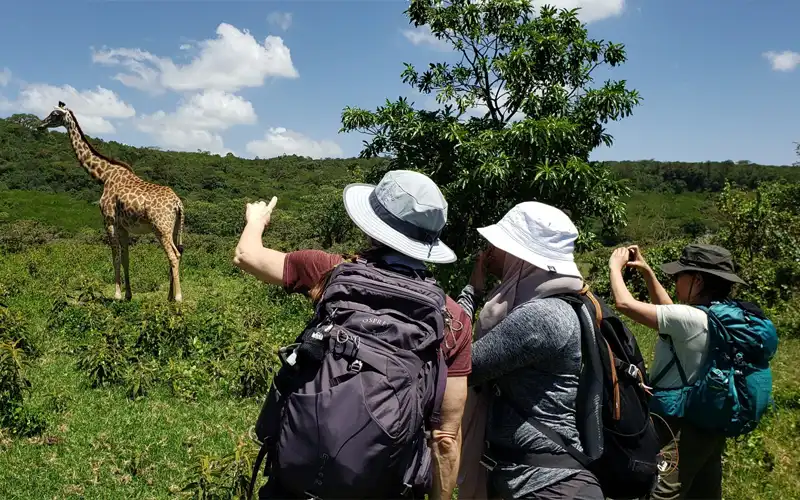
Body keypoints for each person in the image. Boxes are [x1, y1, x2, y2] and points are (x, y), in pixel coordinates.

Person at [233, 170, 472, 500]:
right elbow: (445, 437)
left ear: (371, 225)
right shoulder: (453, 319)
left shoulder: (328, 270)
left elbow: (247, 255)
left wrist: (256, 220)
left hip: (296, 482)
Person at [457, 202, 604, 500]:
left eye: (500, 245)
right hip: (544, 480)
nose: (490, 252)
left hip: (544, 485)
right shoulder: (569, 304)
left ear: (522, 257)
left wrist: (470, 293)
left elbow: (463, 367)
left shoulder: (540, 317)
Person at [607, 243, 746, 500]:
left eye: (680, 275)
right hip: (710, 417)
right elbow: (671, 312)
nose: (675, 280)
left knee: (661, 494)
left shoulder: (691, 319)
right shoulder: (716, 317)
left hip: (681, 424)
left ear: (698, 279)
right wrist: (648, 273)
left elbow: (624, 304)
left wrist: (614, 267)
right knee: (704, 492)